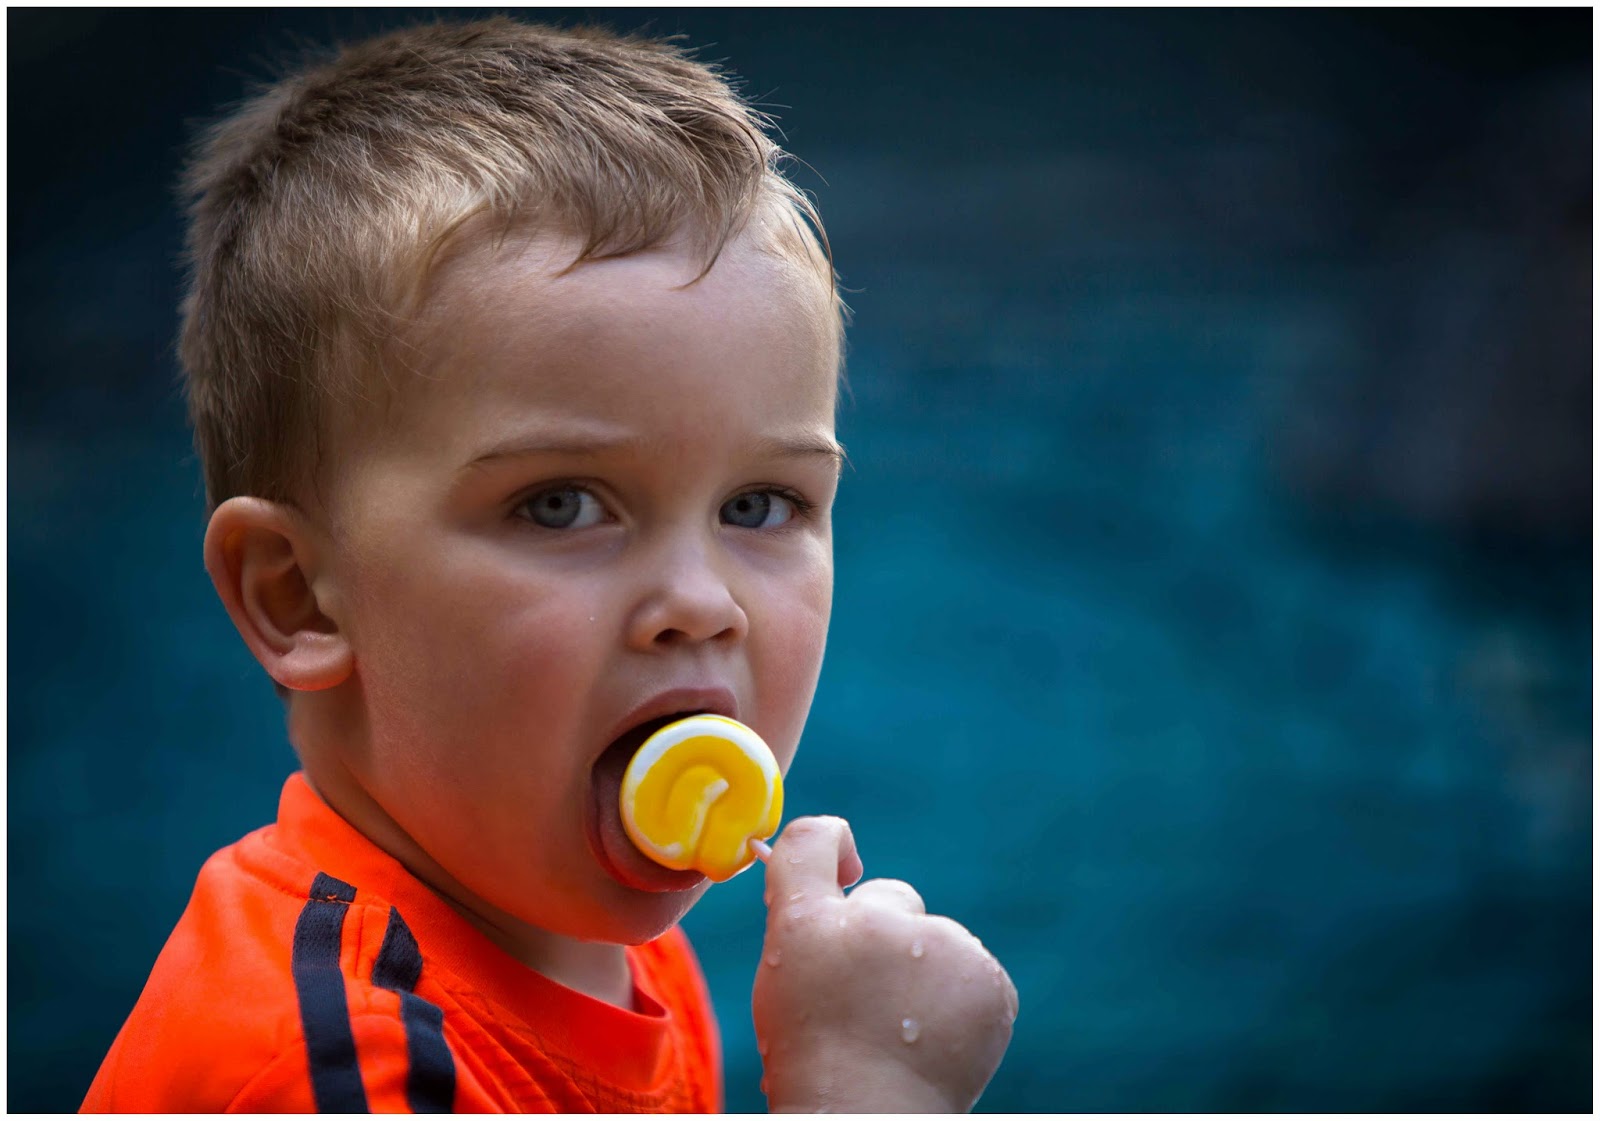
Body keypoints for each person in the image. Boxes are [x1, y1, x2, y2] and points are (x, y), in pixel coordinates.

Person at [81, 15, 1016, 1113]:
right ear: (298, 595)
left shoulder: (612, 943)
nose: (699, 603)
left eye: (759, 504)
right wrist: (862, 1088)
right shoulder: (338, 1068)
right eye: (560, 505)